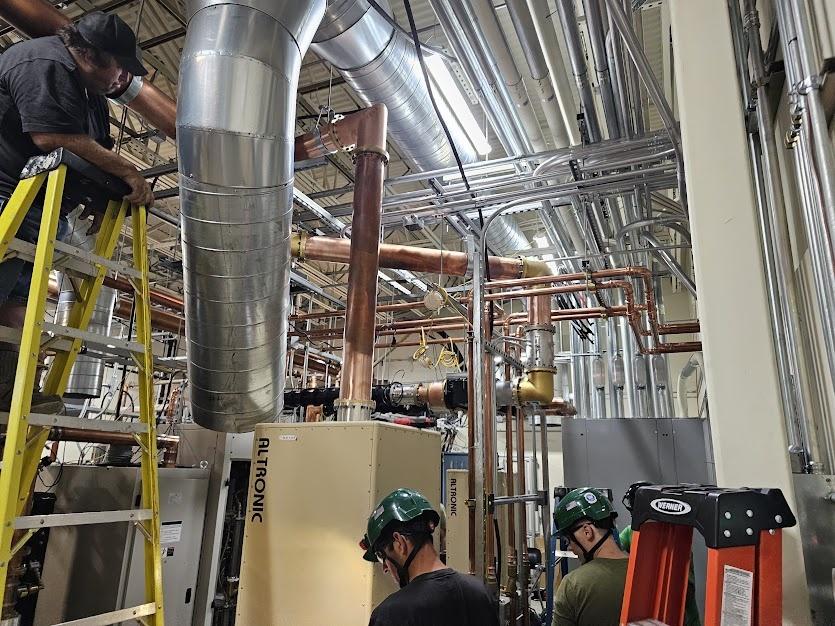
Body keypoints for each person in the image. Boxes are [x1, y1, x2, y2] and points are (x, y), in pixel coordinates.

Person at [0, 10, 154, 413]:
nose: (124, 81)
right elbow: (51, 136)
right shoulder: (45, 62)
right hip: (6, 197)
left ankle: (6, 391)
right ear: (95, 55)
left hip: (33, 205)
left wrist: (111, 195)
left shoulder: (91, 97)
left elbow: (93, 153)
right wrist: (128, 171)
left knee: (17, 303)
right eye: (122, 70)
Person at [360, 487, 499, 626]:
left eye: (381, 556)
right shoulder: (481, 593)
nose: (385, 567)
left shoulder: (390, 616)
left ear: (399, 543)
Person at [619, 482, 701, 626]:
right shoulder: (630, 532)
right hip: (649, 596)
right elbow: (614, 553)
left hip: (679, 590)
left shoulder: (672, 530)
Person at [552, 487, 629, 626]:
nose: (570, 548)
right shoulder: (648, 571)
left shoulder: (573, 585)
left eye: (568, 540)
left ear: (587, 532)